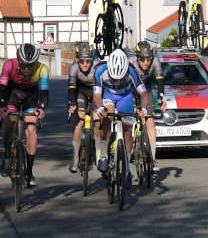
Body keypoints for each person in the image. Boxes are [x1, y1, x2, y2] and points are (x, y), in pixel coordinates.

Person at [94, 48, 150, 189]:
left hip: (125, 97)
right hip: (108, 96)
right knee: (109, 115)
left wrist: (143, 109)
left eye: (119, 78)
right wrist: (101, 108)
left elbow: (143, 94)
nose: (116, 80)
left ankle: (126, 167)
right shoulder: (100, 71)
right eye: (113, 78)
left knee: (128, 130)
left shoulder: (131, 71)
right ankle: (104, 155)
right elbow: (96, 95)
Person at [0, 43, 49, 188]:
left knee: (31, 130)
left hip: (30, 97)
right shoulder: (9, 65)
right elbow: (1, 90)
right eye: (24, 65)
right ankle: (7, 154)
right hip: (12, 94)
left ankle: (29, 171)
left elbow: (44, 95)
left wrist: (41, 108)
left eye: (30, 66)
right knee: (9, 123)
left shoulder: (42, 69)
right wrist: (2, 107)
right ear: (18, 61)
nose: (27, 69)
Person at [128, 41, 166, 173]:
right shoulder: (130, 62)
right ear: (137, 57)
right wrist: (131, 105)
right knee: (128, 119)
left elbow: (160, 80)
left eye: (148, 59)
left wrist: (161, 97)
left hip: (146, 88)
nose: (145, 62)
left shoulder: (155, 61)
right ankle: (127, 150)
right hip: (130, 89)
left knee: (149, 119)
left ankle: (153, 156)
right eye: (142, 59)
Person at [66, 42, 100, 173]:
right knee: (80, 121)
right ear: (76, 59)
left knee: (98, 120)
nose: (85, 64)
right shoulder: (73, 68)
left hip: (96, 92)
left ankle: (98, 152)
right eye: (81, 61)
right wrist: (72, 104)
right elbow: (72, 87)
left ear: (93, 58)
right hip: (81, 92)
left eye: (88, 61)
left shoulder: (98, 66)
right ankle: (75, 157)